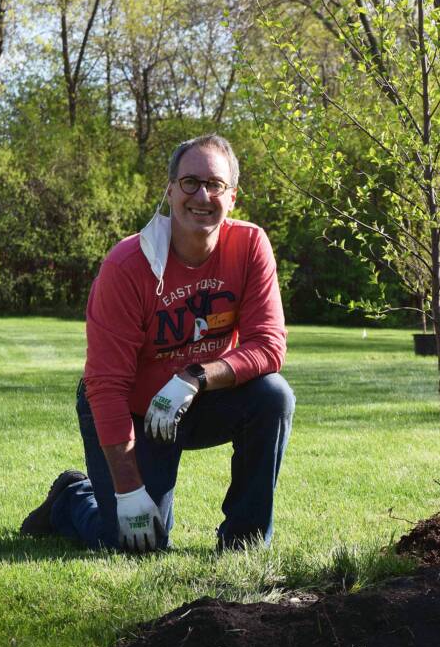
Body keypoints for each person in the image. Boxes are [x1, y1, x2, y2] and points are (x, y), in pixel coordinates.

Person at [20, 134, 295, 553]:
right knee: (137, 541)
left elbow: (269, 345)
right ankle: (72, 497)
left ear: (232, 197)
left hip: (195, 398)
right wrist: (128, 490)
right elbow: (106, 384)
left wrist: (193, 378)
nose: (202, 195)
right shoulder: (128, 264)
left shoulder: (251, 245)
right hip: (129, 407)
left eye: (215, 184)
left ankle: (244, 539)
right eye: (189, 182)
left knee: (273, 394)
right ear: (169, 191)